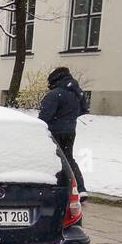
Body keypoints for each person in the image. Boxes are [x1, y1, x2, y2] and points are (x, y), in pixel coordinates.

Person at [39, 66, 88, 197]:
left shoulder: (55, 94)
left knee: (53, 159)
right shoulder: (77, 93)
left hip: (54, 131)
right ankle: (80, 188)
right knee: (68, 158)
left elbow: (44, 116)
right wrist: (68, 118)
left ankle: (56, 188)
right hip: (70, 131)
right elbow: (84, 109)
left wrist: (54, 120)